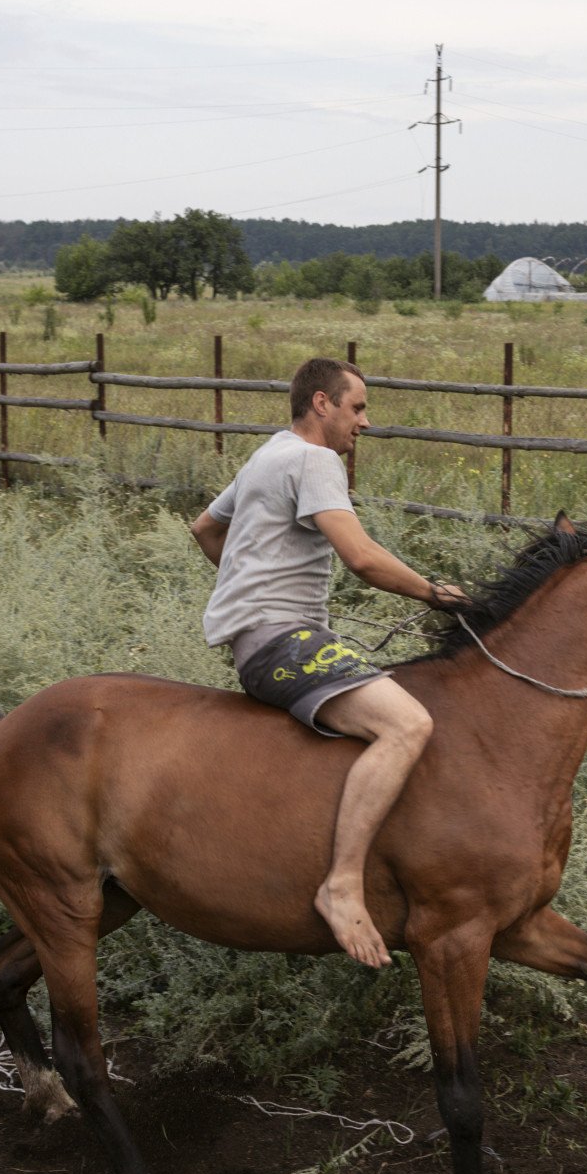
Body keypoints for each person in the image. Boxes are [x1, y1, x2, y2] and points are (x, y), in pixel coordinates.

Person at [189, 357, 466, 969]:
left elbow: (206, 528)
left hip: (264, 639)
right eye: (358, 407)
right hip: (282, 642)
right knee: (408, 724)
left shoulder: (268, 454)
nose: (364, 422)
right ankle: (342, 886)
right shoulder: (317, 460)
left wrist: (248, 588)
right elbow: (362, 558)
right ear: (322, 404)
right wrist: (438, 594)